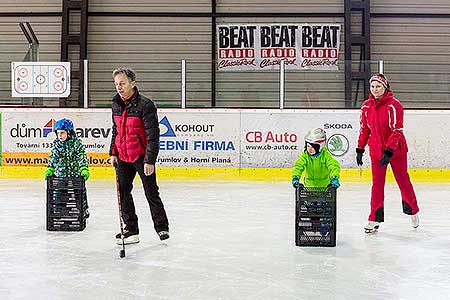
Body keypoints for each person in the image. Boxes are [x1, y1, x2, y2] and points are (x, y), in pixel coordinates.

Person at [109, 67, 169, 245]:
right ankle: (131, 231)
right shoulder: (115, 103)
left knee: (151, 192)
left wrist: (150, 160)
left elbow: (153, 134)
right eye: (116, 84)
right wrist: (113, 152)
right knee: (123, 192)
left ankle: (161, 227)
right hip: (123, 157)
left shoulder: (145, 105)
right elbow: (116, 130)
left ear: (132, 83)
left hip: (141, 157)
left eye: (122, 83)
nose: (119, 87)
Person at [356, 73, 420, 233]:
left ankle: (413, 210)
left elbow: (397, 130)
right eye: (372, 86)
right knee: (377, 185)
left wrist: (389, 150)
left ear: (385, 87)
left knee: (403, 180)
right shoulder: (366, 107)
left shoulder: (394, 105)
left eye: (378, 86)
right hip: (376, 151)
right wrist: (360, 148)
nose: (375, 89)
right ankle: (374, 218)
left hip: (396, 151)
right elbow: (365, 129)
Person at [44, 118, 90, 218]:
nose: (59, 136)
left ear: (69, 133)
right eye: (58, 133)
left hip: (75, 174)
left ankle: (83, 209)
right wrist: (50, 168)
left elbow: (81, 155)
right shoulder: (57, 145)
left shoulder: (76, 144)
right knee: (60, 192)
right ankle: (60, 210)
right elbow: (53, 157)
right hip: (62, 174)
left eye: (62, 133)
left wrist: (83, 168)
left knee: (79, 192)